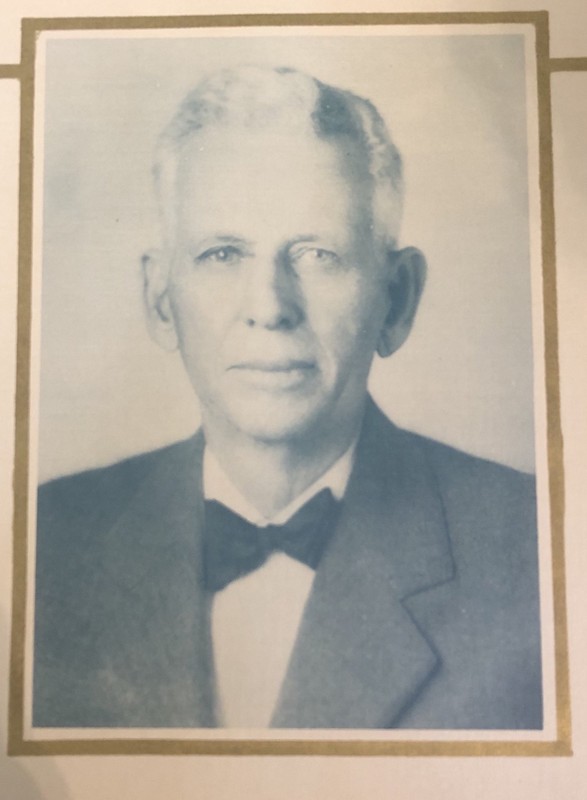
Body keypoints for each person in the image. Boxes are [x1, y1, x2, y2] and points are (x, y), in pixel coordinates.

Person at [33, 65, 542, 730]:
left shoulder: (536, 552)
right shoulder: (42, 542)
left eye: (315, 254)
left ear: (396, 299)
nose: (269, 308)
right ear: (160, 300)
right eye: (222, 254)